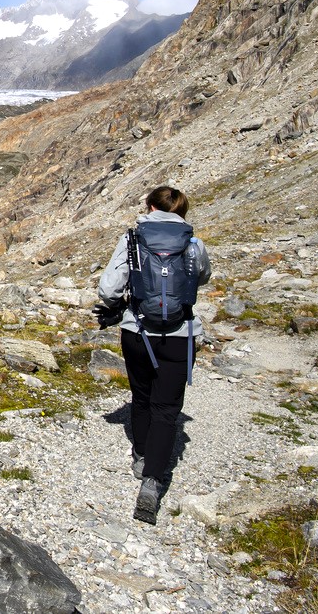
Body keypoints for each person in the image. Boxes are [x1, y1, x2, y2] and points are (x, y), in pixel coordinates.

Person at [94, 185, 211, 524]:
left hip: (138, 331)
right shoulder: (193, 242)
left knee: (141, 397)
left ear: (149, 206)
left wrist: (123, 302)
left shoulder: (132, 239)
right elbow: (202, 276)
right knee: (167, 410)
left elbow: (109, 287)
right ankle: (152, 482)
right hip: (181, 335)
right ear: (182, 211)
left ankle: (141, 455)